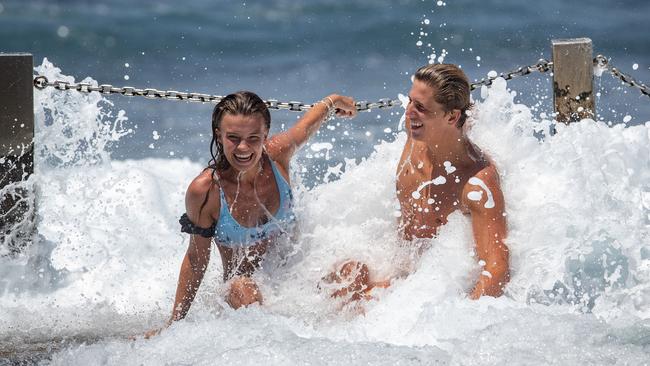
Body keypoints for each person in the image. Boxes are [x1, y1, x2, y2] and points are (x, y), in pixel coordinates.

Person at [146, 91, 356, 337]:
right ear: (219, 135)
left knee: (354, 272)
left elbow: (309, 124)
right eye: (233, 138)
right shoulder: (206, 191)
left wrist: (334, 101)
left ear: (265, 134)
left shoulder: (277, 154)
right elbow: (196, 258)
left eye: (253, 138)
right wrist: (174, 325)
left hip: (296, 281)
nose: (243, 148)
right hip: (241, 294)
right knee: (244, 289)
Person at [325, 64, 509, 302]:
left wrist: (460, 319)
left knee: (357, 300)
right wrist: (331, 103)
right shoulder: (417, 133)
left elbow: (496, 271)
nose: (409, 113)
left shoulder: (476, 184)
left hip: (430, 294)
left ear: (452, 116)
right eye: (410, 102)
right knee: (348, 275)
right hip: (400, 271)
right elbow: (465, 118)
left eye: (420, 107)